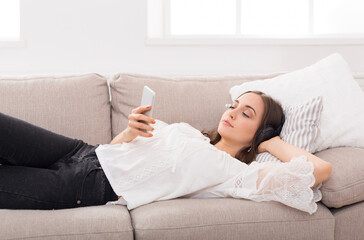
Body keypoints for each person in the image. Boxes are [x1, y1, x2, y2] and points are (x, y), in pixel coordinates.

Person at [0, 90, 332, 214]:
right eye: (233, 104)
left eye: (246, 113)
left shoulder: (234, 174)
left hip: (86, 186)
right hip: (81, 151)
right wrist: (130, 132)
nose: (231, 112)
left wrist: (270, 143)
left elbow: (320, 171)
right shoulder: (189, 132)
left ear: (261, 130)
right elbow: (115, 151)